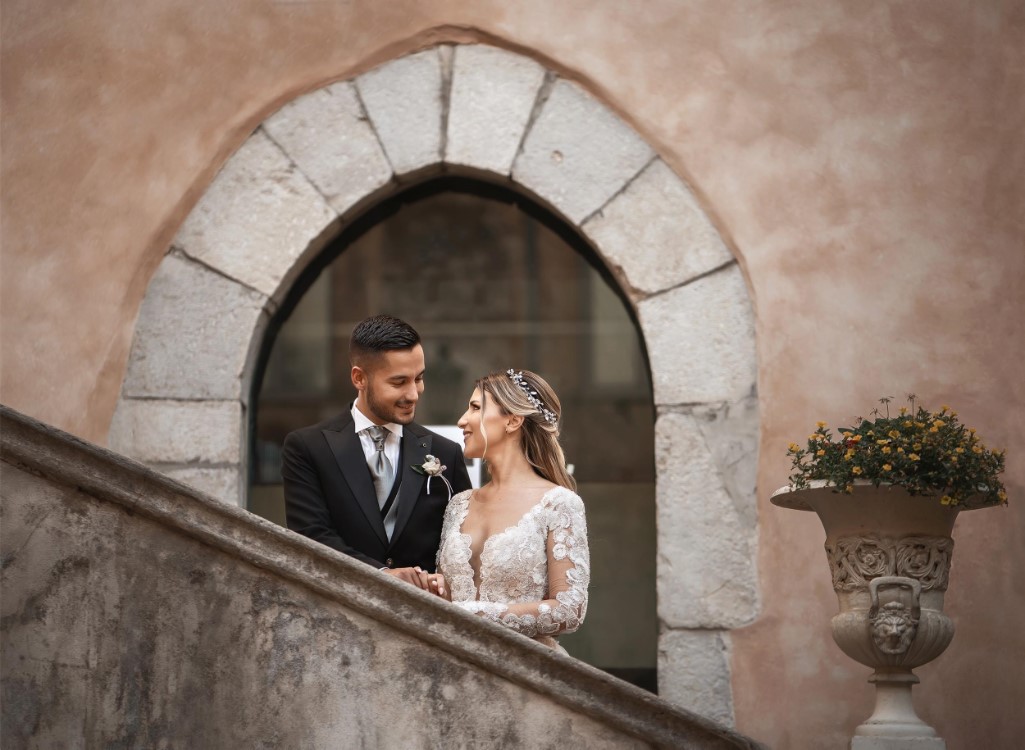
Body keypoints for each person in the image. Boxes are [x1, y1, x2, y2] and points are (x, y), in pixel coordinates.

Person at [282, 315, 472, 593]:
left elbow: (463, 540)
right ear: (359, 378)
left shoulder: (446, 452)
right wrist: (381, 574)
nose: (414, 394)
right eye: (399, 382)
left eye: (419, 378)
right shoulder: (307, 447)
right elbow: (311, 537)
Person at [434, 369, 590, 650]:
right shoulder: (459, 504)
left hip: (525, 667)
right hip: (453, 662)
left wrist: (476, 614)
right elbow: (446, 600)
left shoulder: (558, 504)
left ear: (513, 420)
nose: (462, 420)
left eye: (475, 408)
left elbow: (570, 610)